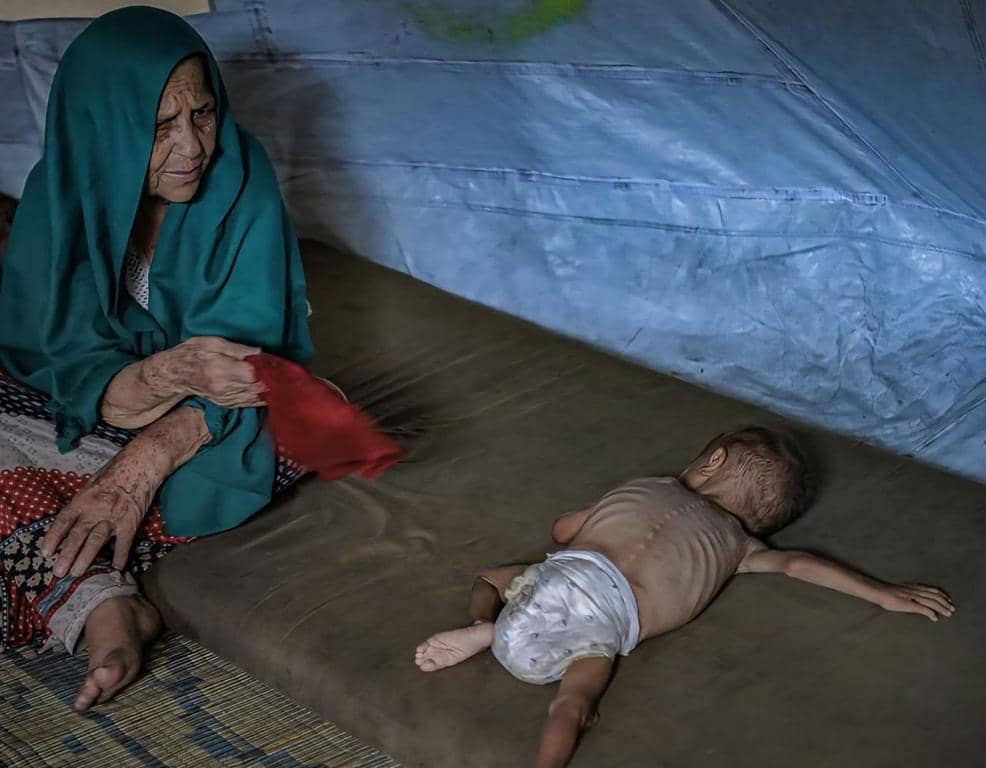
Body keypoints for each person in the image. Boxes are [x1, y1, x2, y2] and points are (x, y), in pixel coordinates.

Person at [0, 7, 313, 711]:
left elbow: (246, 368)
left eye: (201, 114)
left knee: (270, 420)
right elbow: (48, 353)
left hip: (229, 419)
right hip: (127, 397)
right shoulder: (65, 188)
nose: (192, 146)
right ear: (103, 129)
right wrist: (161, 374)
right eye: (159, 127)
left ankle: (86, 598)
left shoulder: (241, 175)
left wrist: (135, 469)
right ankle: (108, 602)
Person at [414, 427, 955, 768]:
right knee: (574, 703)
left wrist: (585, 521)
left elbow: (562, 531)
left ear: (713, 460)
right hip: (606, 629)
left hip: (553, 583)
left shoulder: (649, 485)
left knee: (490, 577)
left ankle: (487, 627)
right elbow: (796, 564)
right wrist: (882, 594)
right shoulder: (741, 546)